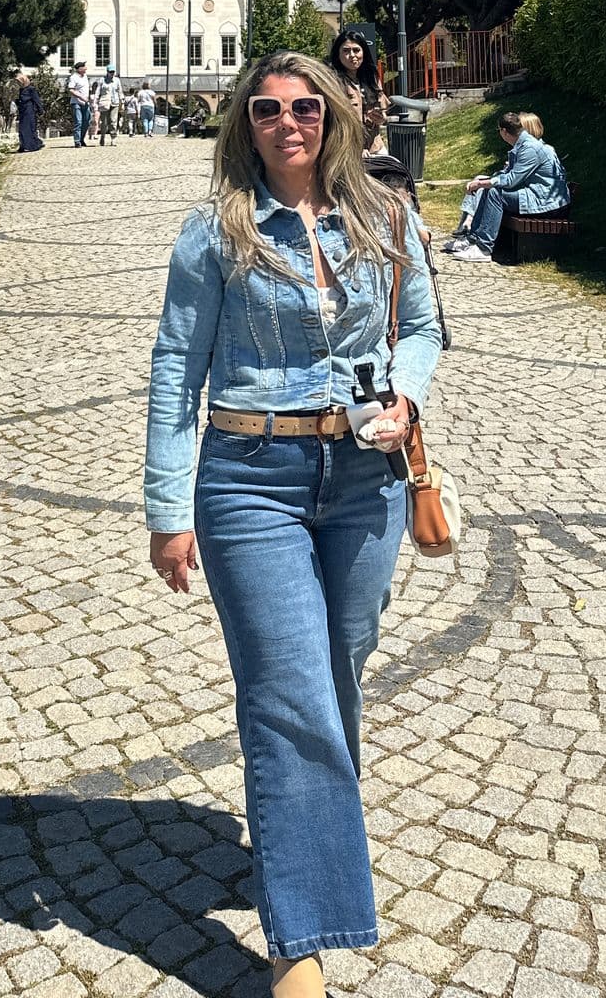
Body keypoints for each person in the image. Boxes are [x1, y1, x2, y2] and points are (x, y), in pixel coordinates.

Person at [145, 52, 441, 995]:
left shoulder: (385, 217)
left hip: (366, 477)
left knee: (340, 668)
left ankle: (300, 837)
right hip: (250, 478)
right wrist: (166, 507)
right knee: (288, 690)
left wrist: (403, 391)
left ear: (335, 116)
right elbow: (172, 371)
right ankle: (303, 943)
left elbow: (426, 329)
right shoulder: (214, 235)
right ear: (246, 124)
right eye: (267, 109)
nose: (289, 122)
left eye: (306, 106)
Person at [445, 109, 570, 261]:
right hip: (536, 195)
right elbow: (507, 176)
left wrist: (481, 183)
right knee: (489, 189)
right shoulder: (522, 145)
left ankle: (484, 249)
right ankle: (473, 240)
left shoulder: (529, 148)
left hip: (547, 202)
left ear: (504, 131)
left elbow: (511, 180)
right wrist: (484, 183)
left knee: (495, 193)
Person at [327, 25, 389, 153]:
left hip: (375, 146)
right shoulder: (332, 81)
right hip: (347, 150)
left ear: (364, 52)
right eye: (346, 51)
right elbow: (334, 121)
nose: (352, 55)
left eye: (356, 50)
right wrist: (356, 149)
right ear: (338, 54)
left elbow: (384, 112)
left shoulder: (371, 77)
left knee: (395, 170)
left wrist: (381, 118)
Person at [92, 66, 122, 145]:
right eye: (110, 72)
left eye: (113, 72)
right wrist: (95, 102)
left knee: (113, 120)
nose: (112, 74)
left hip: (114, 102)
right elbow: (98, 92)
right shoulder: (102, 80)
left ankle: (113, 138)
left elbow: (120, 91)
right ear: (107, 72)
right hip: (104, 103)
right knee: (104, 122)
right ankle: (102, 136)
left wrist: (122, 101)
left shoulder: (117, 80)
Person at [15, 71, 43, 152]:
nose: (18, 83)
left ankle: (33, 145)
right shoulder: (21, 90)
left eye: (19, 81)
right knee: (22, 129)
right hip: (22, 111)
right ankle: (23, 145)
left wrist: (40, 109)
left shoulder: (31, 89)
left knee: (29, 128)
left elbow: (36, 99)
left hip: (29, 111)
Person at [67, 60, 92, 147]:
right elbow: (71, 90)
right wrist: (81, 97)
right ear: (80, 69)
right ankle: (77, 141)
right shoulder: (73, 77)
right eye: (84, 67)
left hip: (85, 103)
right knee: (78, 121)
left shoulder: (85, 76)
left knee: (87, 121)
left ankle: (82, 139)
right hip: (76, 103)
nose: (86, 68)